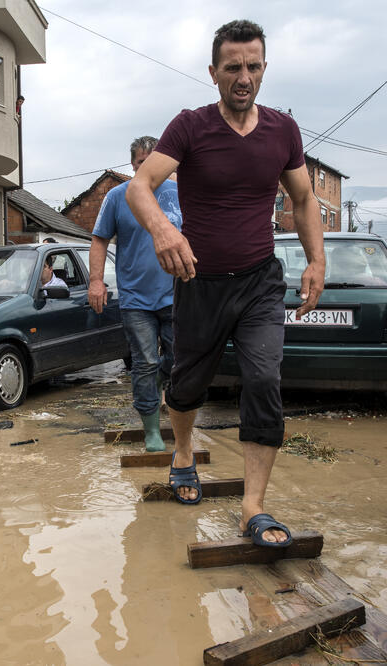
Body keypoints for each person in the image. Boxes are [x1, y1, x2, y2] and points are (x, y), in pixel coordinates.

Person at [125, 20, 325, 547]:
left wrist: (316, 261)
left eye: (253, 66)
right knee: (187, 385)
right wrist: (164, 229)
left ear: (264, 69)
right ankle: (185, 452)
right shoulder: (190, 127)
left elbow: (304, 199)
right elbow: (140, 187)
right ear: (213, 72)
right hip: (200, 283)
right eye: (233, 67)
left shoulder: (283, 130)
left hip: (260, 282)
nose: (243, 77)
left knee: (263, 380)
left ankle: (253, 506)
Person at [90, 135, 182, 452]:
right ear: (133, 165)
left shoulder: (179, 194)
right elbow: (100, 240)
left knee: (179, 361)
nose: (147, 168)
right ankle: (152, 429)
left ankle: (174, 409)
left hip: (178, 294)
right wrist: (96, 281)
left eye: (153, 162)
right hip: (136, 300)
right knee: (145, 362)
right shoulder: (118, 197)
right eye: (142, 163)